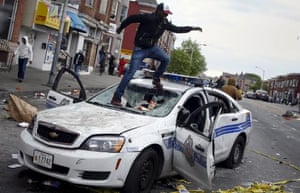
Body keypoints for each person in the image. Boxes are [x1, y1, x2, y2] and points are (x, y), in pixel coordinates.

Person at [111, 3, 202, 106]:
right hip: (140, 49)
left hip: (152, 48)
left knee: (166, 59)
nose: (166, 16)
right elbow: (131, 19)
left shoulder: (164, 23)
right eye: (164, 14)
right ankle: (117, 96)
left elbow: (177, 29)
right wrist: (120, 28)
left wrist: (191, 28)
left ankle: (156, 78)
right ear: (159, 11)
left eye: (167, 14)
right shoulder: (148, 18)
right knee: (130, 73)